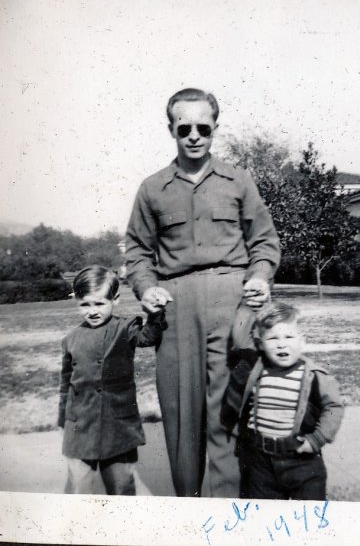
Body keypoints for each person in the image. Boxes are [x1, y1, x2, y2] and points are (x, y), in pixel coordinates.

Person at [125, 88, 280, 498]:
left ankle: (229, 510)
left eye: (203, 127)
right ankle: (188, 510)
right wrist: (147, 288)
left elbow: (264, 241)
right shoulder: (152, 188)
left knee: (229, 406)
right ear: (171, 128)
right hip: (176, 306)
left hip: (233, 302)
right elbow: (138, 252)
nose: (194, 136)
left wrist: (261, 276)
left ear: (215, 128)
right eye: (184, 127)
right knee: (181, 412)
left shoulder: (238, 180)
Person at [58, 265, 166, 495]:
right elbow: (66, 384)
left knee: (122, 487)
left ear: (115, 299)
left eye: (99, 303)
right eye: (85, 304)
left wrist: (155, 315)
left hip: (118, 427)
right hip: (80, 428)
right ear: (76, 301)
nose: (92, 311)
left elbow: (148, 337)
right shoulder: (71, 339)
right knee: (79, 487)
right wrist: (63, 421)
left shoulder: (124, 328)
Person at [222, 301, 344, 500]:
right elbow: (240, 340)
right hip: (261, 461)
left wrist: (317, 439)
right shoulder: (256, 370)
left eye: (289, 336)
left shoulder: (314, 376)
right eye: (272, 338)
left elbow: (333, 407)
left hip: (301, 459)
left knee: (307, 519)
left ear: (302, 341)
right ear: (260, 344)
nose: (281, 344)